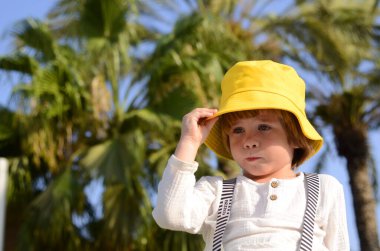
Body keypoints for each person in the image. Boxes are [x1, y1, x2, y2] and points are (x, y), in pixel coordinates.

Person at [152, 60, 349, 250]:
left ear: (296, 137)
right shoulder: (215, 192)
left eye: (263, 127)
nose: (249, 141)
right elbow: (170, 215)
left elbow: (339, 246)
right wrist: (189, 142)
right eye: (237, 130)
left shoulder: (324, 188)